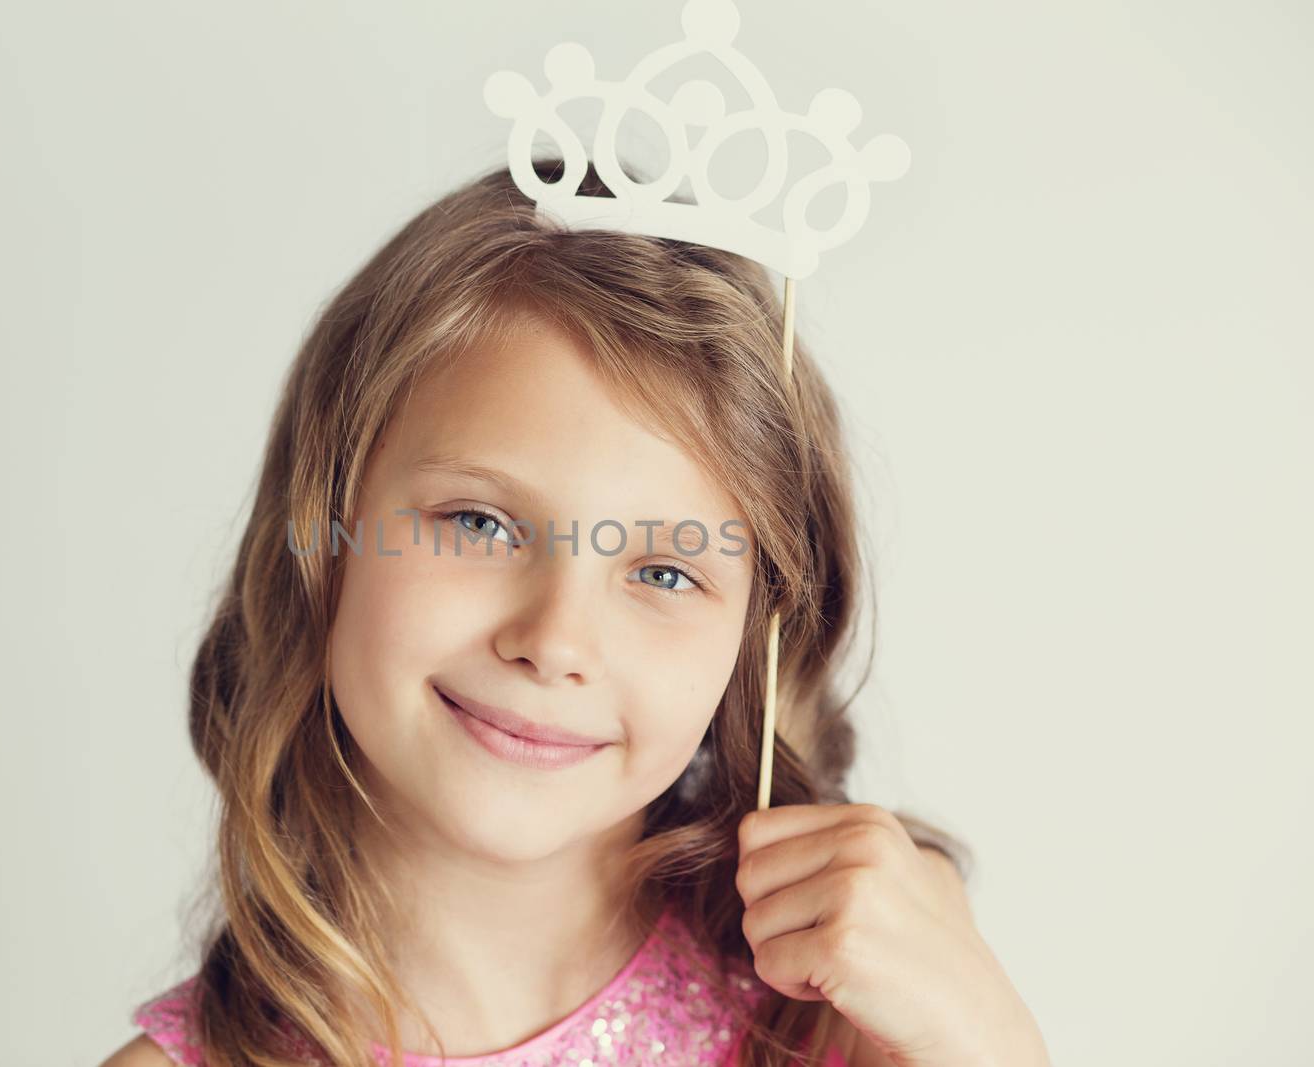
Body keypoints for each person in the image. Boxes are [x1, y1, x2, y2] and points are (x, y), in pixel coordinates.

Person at [97, 158, 1050, 1067]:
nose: (553, 643)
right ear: (324, 525)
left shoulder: (840, 1024)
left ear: (755, 644)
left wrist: (993, 1047)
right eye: (479, 522)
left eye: (665, 574)